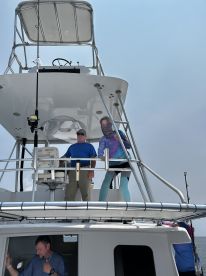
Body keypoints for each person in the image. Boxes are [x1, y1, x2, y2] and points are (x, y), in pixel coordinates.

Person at [98, 116, 131, 201]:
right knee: (106, 183)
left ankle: (129, 206)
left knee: (123, 185)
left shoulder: (119, 133)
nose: (105, 127)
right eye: (103, 125)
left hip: (125, 162)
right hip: (113, 164)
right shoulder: (103, 139)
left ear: (110, 124)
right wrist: (103, 157)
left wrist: (120, 140)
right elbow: (100, 153)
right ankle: (100, 205)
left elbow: (129, 146)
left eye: (106, 124)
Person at [63, 129, 97, 201]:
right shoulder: (72, 147)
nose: (80, 135)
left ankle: (88, 211)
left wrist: (91, 171)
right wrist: (56, 160)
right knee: (69, 193)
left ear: (85, 137)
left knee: (86, 193)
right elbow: (65, 157)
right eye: (78, 134)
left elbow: (93, 159)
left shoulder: (89, 146)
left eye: (82, 134)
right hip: (73, 170)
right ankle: (67, 210)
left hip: (85, 170)